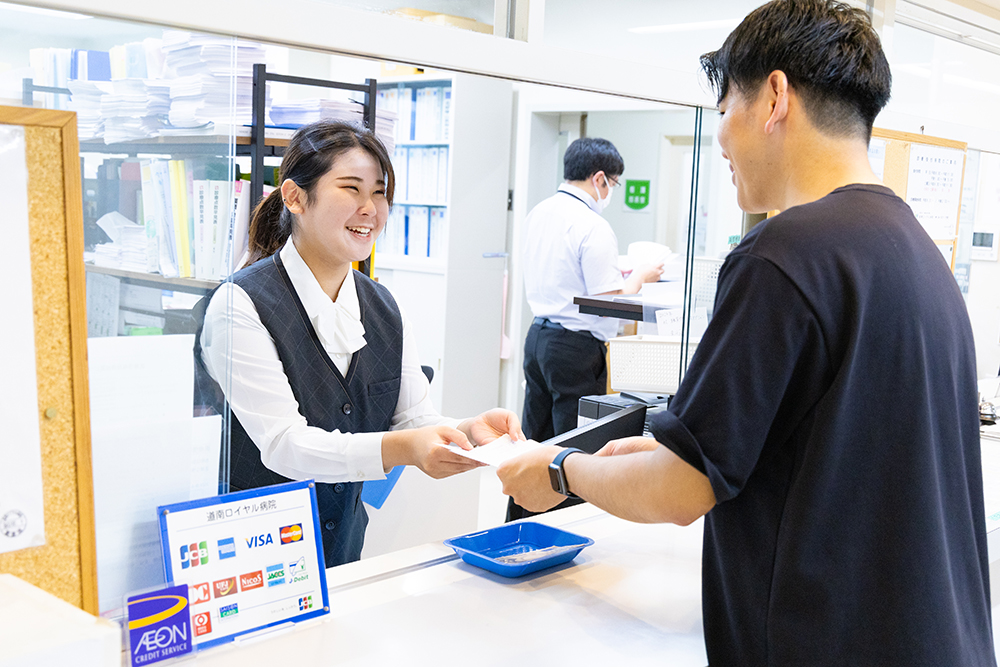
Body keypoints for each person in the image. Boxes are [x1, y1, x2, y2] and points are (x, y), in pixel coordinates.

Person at [498, 1, 996, 665]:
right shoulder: (918, 252)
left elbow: (681, 491)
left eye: (726, 106)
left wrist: (559, 469)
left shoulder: (783, 254)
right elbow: (836, 449)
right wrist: (672, 450)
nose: (722, 138)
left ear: (774, 98)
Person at [196, 120, 523, 569]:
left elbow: (414, 418)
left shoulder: (383, 305)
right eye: (351, 188)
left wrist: (469, 430)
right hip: (254, 555)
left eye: (380, 192)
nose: (370, 209)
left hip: (345, 550)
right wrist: (404, 448)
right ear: (294, 197)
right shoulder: (240, 304)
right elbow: (284, 444)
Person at [511, 137, 663, 521]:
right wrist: (640, 277)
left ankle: (518, 524)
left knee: (535, 444)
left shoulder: (540, 212)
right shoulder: (593, 225)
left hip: (539, 337)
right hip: (575, 348)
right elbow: (606, 300)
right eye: (613, 183)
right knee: (574, 454)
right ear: (599, 179)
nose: (611, 191)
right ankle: (563, 528)